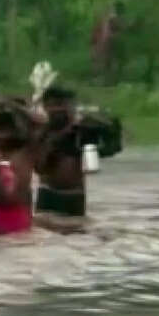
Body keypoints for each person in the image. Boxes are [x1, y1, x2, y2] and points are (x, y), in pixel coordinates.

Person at [34, 87, 123, 230]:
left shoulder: (83, 131)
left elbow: (110, 150)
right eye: (54, 105)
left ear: (72, 106)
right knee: (44, 236)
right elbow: (39, 167)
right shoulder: (42, 132)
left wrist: (113, 132)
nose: (58, 109)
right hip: (47, 193)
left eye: (63, 105)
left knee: (75, 236)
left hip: (73, 195)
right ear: (45, 107)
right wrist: (58, 142)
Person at [0, 112, 34, 236]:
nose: (0, 136)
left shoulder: (25, 152)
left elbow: (36, 127)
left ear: (13, 131)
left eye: (4, 131)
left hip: (18, 213)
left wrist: (17, 108)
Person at [91, 1, 126, 84]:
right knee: (103, 61)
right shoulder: (108, 19)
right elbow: (98, 32)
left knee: (108, 61)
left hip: (107, 43)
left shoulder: (113, 19)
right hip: (103, 43)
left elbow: (121, 29)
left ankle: (108, 79)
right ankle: (102, 79)